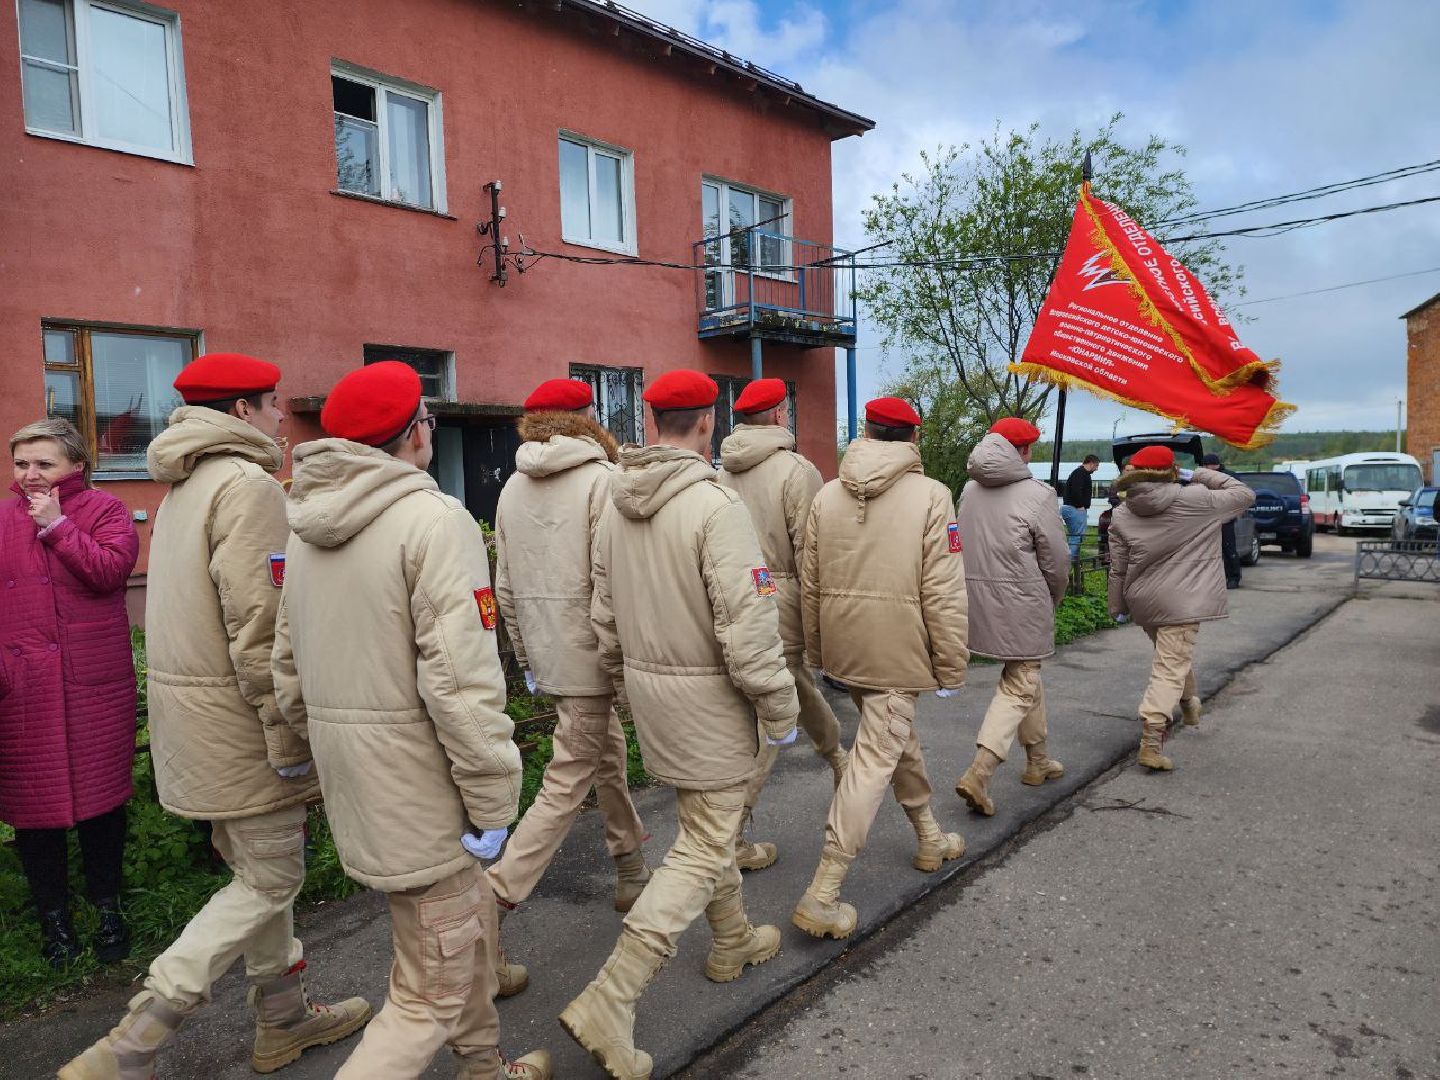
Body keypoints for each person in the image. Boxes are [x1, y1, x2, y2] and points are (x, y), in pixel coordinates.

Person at [62, 355, 371, 1080]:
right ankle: (138, 1035)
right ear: (240, 411)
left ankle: (285, 1019)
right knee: (269, 878)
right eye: (270, 406)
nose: (279, 422)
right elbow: (260, 626)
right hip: (241, 725)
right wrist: (287, 731)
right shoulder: (246, 485)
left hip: (195, 721)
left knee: (260, 870)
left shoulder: (183, 486)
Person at [272, 362, 550, 1079]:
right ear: (414, 433)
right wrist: (494, 797)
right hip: (427, 792)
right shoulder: (433, 521)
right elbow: (461, 683)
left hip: (357, 783)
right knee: (431, 987)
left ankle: (485, 1067)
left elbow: (285, 664)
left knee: (450, 940)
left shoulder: (306, 528)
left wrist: (300, 753)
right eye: (427, 418)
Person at [560, 370, 799, 1080]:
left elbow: (601, 616)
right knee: (702, 843)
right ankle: (613, 996)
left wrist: (624, 689)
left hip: (652, 697)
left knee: (705, 824)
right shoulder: (712, 504)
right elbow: (748, 625)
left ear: (650, 415)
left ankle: (732, 939)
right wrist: (779, 709)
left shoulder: (615, 498)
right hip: (710, 703)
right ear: (707, 422)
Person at [487, 377, 650, 993]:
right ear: (586, 417)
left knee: (602, 754)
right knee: (566, 782)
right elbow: (614, 584)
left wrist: (528, 656)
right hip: (595, 655)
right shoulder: (602, 480)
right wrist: (622, 665)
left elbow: (504, 584)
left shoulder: (510, 487)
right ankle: (492, 905)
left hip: (553, 656)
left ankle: (631, 866)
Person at [791, 397, 969, 941]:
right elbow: (944, 590)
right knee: (875, 757)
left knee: (893, 736)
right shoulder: (933, 495)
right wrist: (951, 663)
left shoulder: (827, 494)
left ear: (867, 431)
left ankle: (929, 835)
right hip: (899, 648)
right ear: (914, 438)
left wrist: (819, 652)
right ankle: (823, 890)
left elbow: (811, 581)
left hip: (847, 645)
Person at [2, 418, 138, 968]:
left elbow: (110, 571)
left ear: (76, 465)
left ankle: (108, 908)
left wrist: (58, 526)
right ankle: (54, 920)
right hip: (23, 688)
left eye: (45, 463)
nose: (31, 475)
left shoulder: (103, 510)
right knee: (34, 812)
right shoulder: (2, 518)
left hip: (92, 685)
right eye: (21, 463)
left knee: (102, 806)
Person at [717, 377, 847, 873]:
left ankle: (837, 756)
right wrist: (820, 621)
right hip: (783, 599)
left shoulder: (721, 472)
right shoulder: (797, 471)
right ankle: (731, 833)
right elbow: (813, 553)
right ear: (777, 416)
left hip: (738, 598)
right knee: (776, 713)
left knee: (792, 684)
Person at [1108, 445, 1255, 771]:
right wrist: (1196, 473)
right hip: (1184, 600)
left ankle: (1188, 702)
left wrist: (1117, 606)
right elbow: (1243, 494)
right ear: (1173, 472)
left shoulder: (1122, 512)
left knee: (1172, 656)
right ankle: (1151, 739)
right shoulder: (1198, 500)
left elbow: (1117, 566)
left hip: (1144, 600)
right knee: (1169, 666)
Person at [953, 418, 1070, 817]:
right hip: (1021, 600)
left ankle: (1038, 760)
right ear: (1023, 452)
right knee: (1021, 682)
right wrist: (1054, 596)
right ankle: (980, 772)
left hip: (974, 598)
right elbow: (1056, 560)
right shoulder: (1038, 495)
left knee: (1025, 673)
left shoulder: (968, 489)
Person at [1202, 452, 1243, 588]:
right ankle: (1216, 578)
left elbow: (1240, 495)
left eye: (1211, 465)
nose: (1209, 468)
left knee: (1228, 548)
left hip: (1226, 518)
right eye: (1207, 466)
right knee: (1210, 550)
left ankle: (1233, 578)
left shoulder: (1229, 476)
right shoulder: (1202, 478)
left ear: (1216, 465)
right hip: (1208, 519)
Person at [1060, 454, 1100, 558]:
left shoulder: (1080, 473)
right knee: (1076, 537)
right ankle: (1070, 562)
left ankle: (1073, 562)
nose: (1096, 469)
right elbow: (1076, 490)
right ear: (1091, 463)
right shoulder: (1080, 473)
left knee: (1076, 537)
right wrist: (1080, 505)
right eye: (1096, 466)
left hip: (1072, 507)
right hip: (1075, 508)